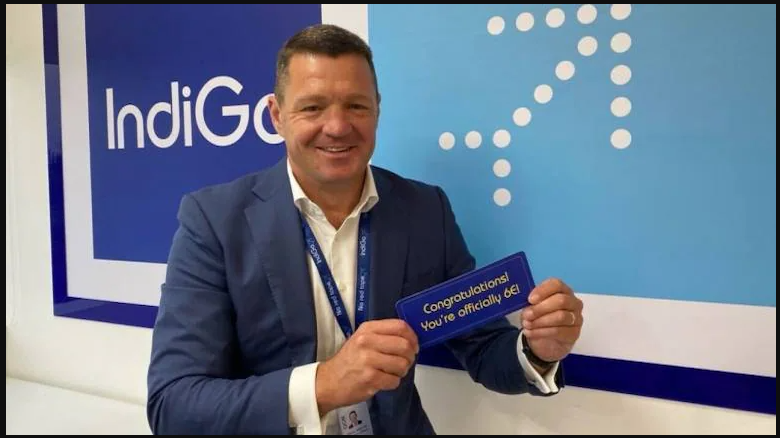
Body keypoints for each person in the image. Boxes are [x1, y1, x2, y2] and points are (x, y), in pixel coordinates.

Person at [146, 23, 584, 435]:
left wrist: (535, 351)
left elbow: (482, 345)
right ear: (277, 115)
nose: (338, 127)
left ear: (377, 109)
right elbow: (173, 405)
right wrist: (324, 384)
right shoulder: (213, 221)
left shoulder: (425, 209)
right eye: (313, 107)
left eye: (356, 105)